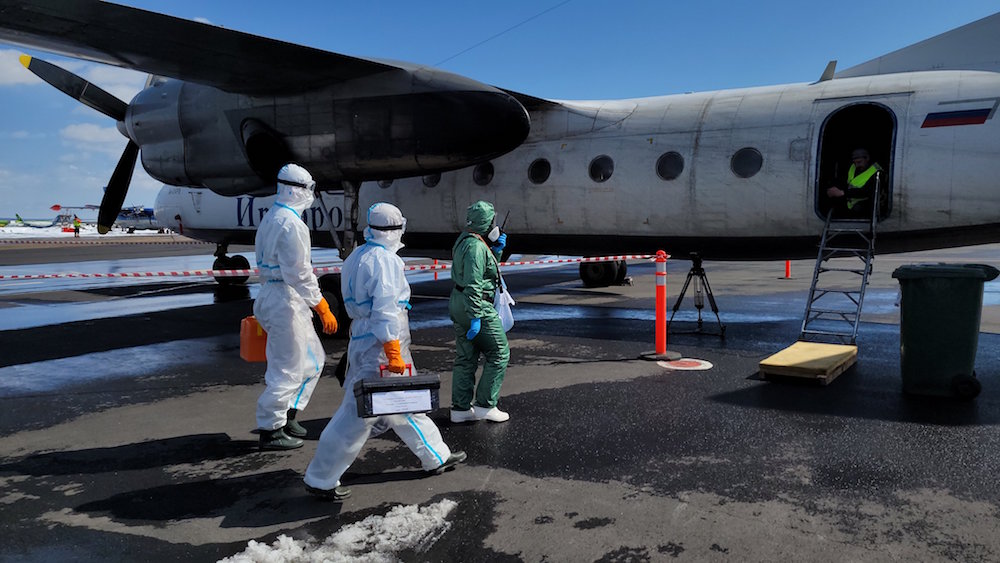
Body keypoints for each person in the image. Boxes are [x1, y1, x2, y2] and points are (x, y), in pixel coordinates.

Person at [303, 202, 465, 501]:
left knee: (404, 404)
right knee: (358, 414)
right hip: (380, 344)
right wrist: (392, 350)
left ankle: (435, 455)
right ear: (396, 229)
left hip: (366, 338)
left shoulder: (358, 255)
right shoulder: (385, 260)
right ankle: (321, 477)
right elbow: (386, 308)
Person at [253, 163, 338, 451]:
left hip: (278, 295)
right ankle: (270, 429)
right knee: (287, 369)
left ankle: (288, 415)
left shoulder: (273, 217)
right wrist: (322, 306)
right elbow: (299, 273)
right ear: (296, 190)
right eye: (308, 188)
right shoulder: (291, 224)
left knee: (313, 361)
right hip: (284, 299)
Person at [449, 201, 510, 423]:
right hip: (475, 305)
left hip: (459, 302)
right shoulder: (475, 247)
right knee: (499, 352)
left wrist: (496, 251)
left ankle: (460, 409)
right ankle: (485, 404)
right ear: (485, 222)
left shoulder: (466, 240)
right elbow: (474, 283)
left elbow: (484, 271)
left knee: (466, 357)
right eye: (492, 220)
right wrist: (476, 316)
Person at [826, 148, 884, 219]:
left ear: (867, 158)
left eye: (859, 162)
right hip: (849, 203)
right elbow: (844, 181)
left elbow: (869, 191)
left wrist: (842, 193)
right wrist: (834, 190)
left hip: (866, 207)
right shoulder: (852, 167)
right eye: (854, 162)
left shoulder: (877, 171)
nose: (856, 165)